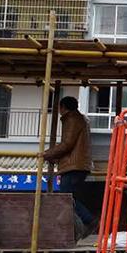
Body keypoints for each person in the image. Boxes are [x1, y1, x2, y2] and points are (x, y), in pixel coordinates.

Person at [42, 96, 96, 239]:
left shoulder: (71, 119)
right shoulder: (81, 119)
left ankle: (88, 220)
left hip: (74, 166)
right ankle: (83, 224)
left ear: (63, 107)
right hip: (79, 165)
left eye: (59, 108)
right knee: (69, 197)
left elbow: (67, 144)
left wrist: (47, 154)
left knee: (65, 197)